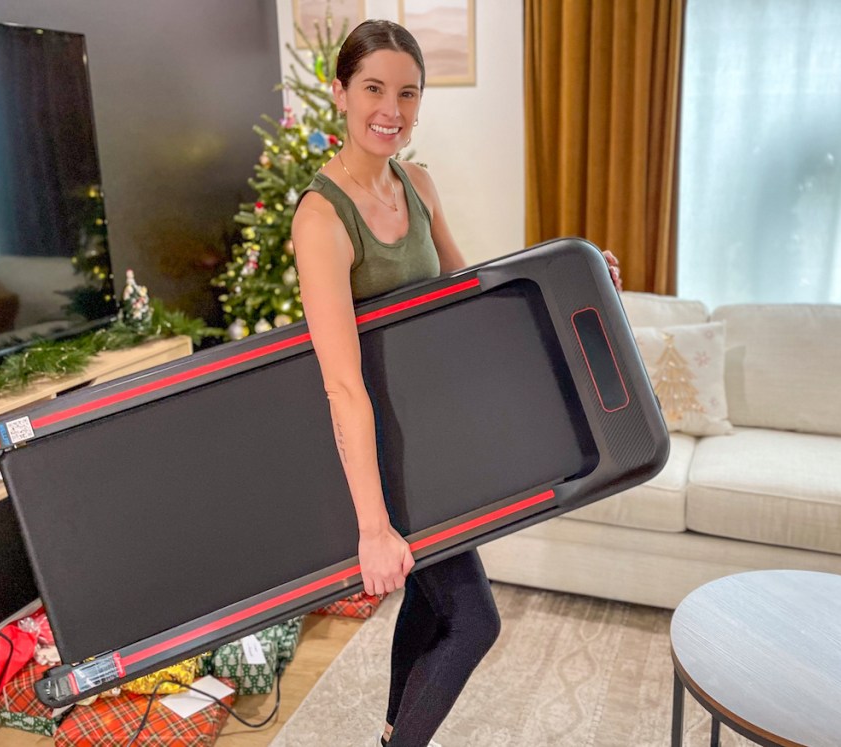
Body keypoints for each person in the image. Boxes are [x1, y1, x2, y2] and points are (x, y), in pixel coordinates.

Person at [291, 20, 622, 747]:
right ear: (339, 92)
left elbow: (468, 301)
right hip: (386, 454)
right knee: (475, 619)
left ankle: (389, 730)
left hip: (435, 444)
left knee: (434, 605)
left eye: (408, 93)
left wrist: (582, 285)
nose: (392, 109)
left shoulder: (419, 182)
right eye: (374, 88)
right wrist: (374, 527)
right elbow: (343, 386)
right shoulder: (322, 220)